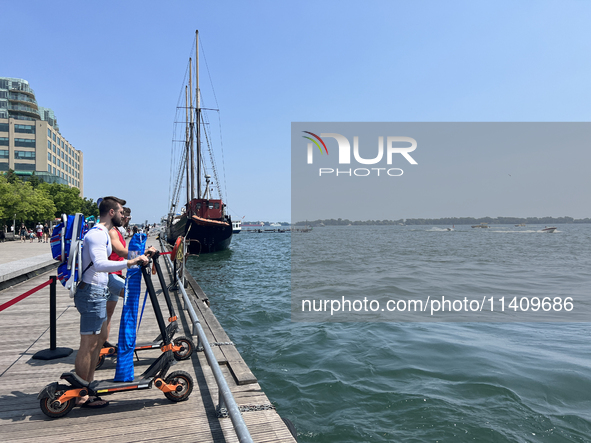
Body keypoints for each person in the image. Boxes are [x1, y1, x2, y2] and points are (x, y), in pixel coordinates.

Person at [74, 196, 149, 408]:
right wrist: (132, 260)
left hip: (97, 291)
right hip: (91, 293)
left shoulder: (103, 234)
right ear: (111, 213)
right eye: (121, 212)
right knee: (88, 345)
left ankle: (87, 388)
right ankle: (81, 395)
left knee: (96, 344)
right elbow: (99, 264)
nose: (123, 215)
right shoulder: (97, 235)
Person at [104, 207, 154, 347]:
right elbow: (122, 252)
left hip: (116, 273)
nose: (126, 220)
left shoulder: (119, 232)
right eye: (125, 217)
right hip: (109, 275)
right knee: (131, 295)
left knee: (108, 314)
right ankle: (126, 338)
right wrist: (144, 252)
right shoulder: (112, 232)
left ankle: (103, 344)